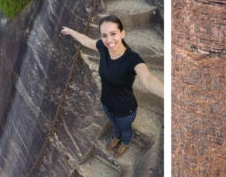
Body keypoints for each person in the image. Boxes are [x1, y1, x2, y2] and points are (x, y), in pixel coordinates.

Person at [61, 15, 163, 158]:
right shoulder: (103, 47)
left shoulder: (132, 59)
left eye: (113, 34)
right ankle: (116, 137)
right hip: (107, 104)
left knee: (125, 129)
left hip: (125, 110)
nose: (109, 40)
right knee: (114, 124)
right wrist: (71, 31)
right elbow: (86, 40)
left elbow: (148, 79)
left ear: (122, 33)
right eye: (104, 35)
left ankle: (125, 143)